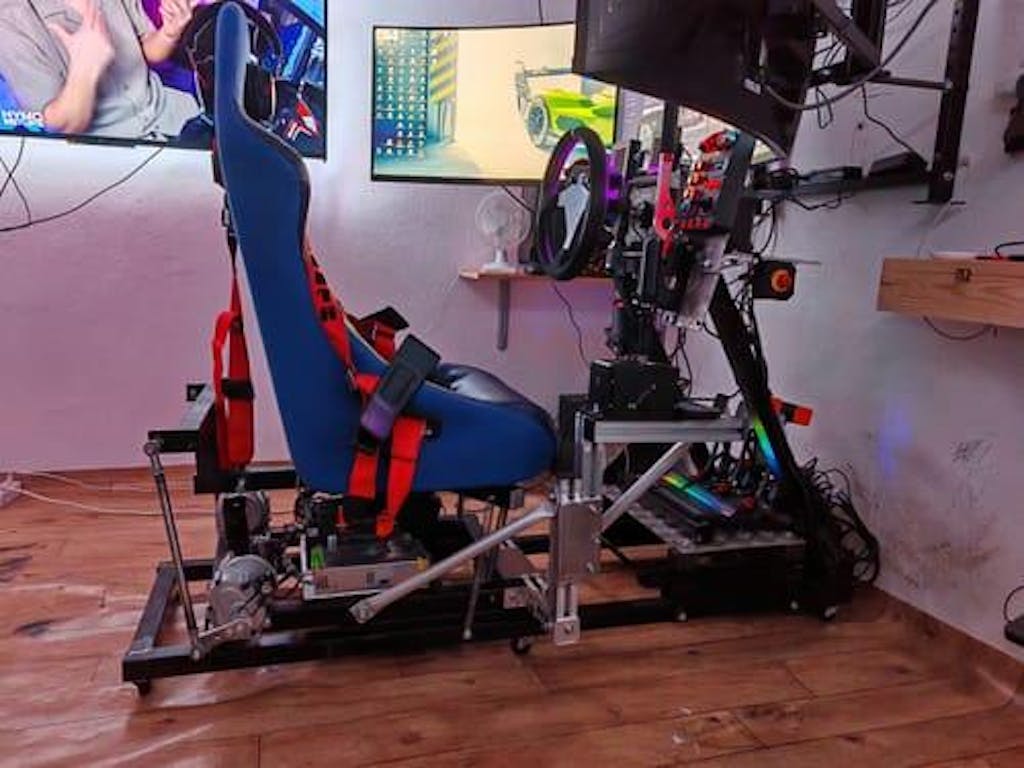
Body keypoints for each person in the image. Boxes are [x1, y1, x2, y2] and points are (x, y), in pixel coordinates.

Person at [0, 0, 203, 138]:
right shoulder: (10, 21)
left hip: (170, 114)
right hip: (106, 150)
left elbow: (146, 50)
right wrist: (84, 69)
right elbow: (59, 126)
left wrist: (169, 33)